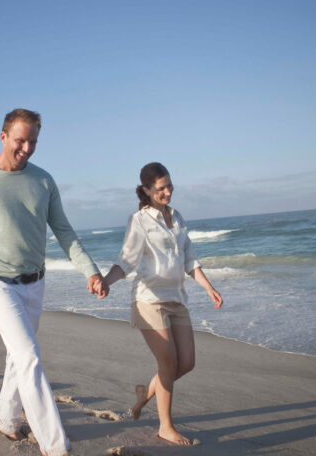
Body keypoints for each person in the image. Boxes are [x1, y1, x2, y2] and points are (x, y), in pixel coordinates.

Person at [0, 108, 108, 456]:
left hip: (35, 282)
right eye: (20, 140)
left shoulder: (44, 181)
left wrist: (91, 271)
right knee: (30, 356)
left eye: (33, 141)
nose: (26, 148)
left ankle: (6, 420)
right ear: (3, 136)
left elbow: (64, 231)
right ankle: (55, 446)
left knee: (17, 358)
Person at [102, 162, 222, 446]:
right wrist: (106, 281)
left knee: (187, 363)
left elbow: (190, 259)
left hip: (177, 300)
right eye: (160, 189)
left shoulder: (177, 217)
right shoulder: (140, 221)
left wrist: (209, 287)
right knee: (168, 361)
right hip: (149, 300)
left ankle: (146, 391)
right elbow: (126, 261)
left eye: (169, 185)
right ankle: (165, 426)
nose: (167, 192)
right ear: (146, 190)